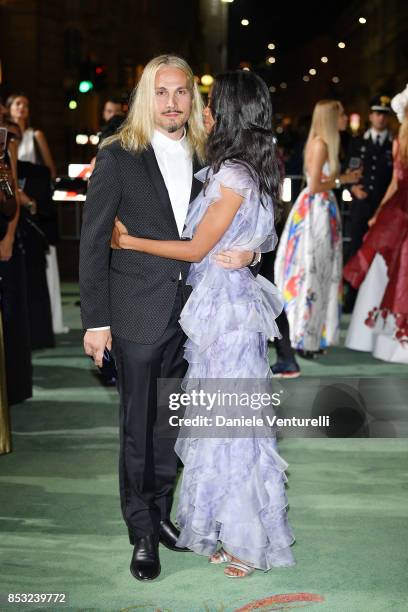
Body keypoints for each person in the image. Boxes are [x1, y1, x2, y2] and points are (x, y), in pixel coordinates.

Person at [79, 55, 258, 582]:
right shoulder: (118, 157)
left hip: (197, 317)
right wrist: (96, 321)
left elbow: (239, 220)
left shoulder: (211, 155)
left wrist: (251, 254)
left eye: (182, 93)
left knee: (170, 426)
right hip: (135, 312)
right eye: (162, 93)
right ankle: (140, 532)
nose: (173, 102)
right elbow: (93, 244)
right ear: (144, 98)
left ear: (194, 100)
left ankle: (159, 516)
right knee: (138, 428)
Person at [111, 68, 295, 579]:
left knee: (229, 427)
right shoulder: (246, 169)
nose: (202, 109)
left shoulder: (233, 174)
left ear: (231, 113)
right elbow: (261, 232)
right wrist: (252, 250)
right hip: (223, 308)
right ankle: (225, 529)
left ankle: (244, 542)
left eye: (211, 103)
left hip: (224, 318)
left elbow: (195, 248)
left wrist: (129, 242)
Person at [274, 100, 361, 357]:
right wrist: (342, 179)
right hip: (315, 213)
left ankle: (316, 336)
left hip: (324, 210)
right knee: (311, 274)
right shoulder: (320, 144)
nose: (346, 117)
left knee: (323, 274)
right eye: (342, 113)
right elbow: (313, 186)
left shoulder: (327, 144)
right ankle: (304, 338)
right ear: (331, 117)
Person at [343, 85, 408, 363]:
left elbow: (393, 183)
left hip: (394, 210)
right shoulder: (379, 143)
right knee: (389, 266)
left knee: (388, 266)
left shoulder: (395, 142)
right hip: (391, 210)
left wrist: (380, 212)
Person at [7, 93, 67, 338]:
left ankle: (48, 319)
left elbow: (49, 170)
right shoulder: (7, 136)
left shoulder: (35, 135)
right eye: (17, 104)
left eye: (25, 104)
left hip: (32, 200)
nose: (22, 108)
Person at [343, 95, 393, 312]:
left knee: (384, 254)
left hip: (386, 208)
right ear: (371, 116)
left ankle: (382, 300)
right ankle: (351, 299)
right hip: (362, 205)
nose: (380, 118)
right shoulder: (358, 143)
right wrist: (353, 189)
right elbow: (348, 172)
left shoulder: (394, 144)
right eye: (377, 113)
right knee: (356, 249)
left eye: (384, 114)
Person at [0, 98, 32, 409]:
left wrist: (9, 236)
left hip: (3, 228)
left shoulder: (5, 139)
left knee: (8, 315)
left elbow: (13, 196)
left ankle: (13, 387)